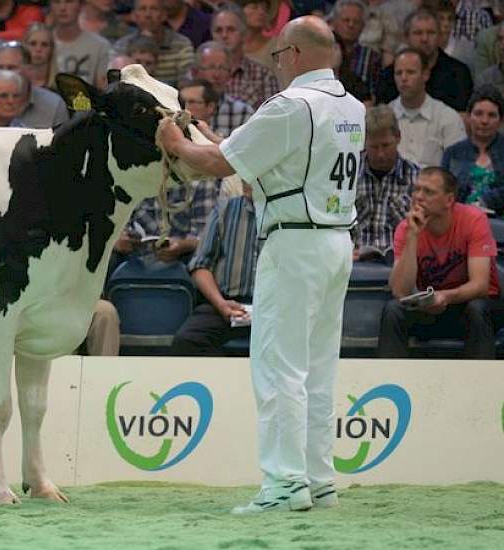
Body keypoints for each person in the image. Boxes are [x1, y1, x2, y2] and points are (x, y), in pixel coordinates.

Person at [156, 16, 364, 513]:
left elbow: (217, 166)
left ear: (293, 54)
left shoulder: (290, 106)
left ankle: (284, 486)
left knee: (278, 369)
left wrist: (175, 141)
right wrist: (214, 142)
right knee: (317, 371)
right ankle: (318, 481)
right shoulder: (351, 106)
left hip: (293, 245)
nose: (275, 66)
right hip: (335, 242)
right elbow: (255, 167)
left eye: (277, 56)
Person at [379, 167, 504, 358]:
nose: (418, 197)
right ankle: (389, 382)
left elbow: (480, 285)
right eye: (416, 190)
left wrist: (444, 296)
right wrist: (412, 237)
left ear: (449, 200)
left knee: (477, 308)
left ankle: (479, 383)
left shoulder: (473, 220)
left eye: (428, 192)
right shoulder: (406, 228)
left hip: (471, 308)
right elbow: (400, 291)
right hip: (430, 308)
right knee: (393, 310)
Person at [171, 182, 258, 356]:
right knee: (187, 340)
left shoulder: (292, 215)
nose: (247, 179)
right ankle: (221, 382)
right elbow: (200, 265)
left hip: (275, 309)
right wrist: (220, 303)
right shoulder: (224, 210)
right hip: (225, 302)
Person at [354, 104, 420, 262]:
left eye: (386, 145)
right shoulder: (349, 175)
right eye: (374, 147)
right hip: (354, 260)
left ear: (398, 137)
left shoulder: (417, 178)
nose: (381, 154)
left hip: (400, 262)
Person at [375, 9, 473, 112]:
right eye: (418, 33)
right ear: (406, 37)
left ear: (439, 36)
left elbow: (464, 116)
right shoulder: (389, 75)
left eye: (431, 33)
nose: (424, 39)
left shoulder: (459, 73)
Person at [388, 47, 466, 168]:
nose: (403, 78)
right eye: (398, 73)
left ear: (426, 74)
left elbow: (458, 167)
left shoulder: (448, 117)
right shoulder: (386, 116)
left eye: (410, 72)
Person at [0, 42, 70, 129]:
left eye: (11, 67)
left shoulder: (54, 106)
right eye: (0, 68)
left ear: (29, 70)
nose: (5, 73)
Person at [441, 86, 504, 211]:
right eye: (478, 114)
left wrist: (486, 200)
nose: (484, 121)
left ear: (501, 121)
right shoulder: (452, 153)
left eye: (492, 115)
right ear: (469, 117)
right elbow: (442, 190)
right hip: (458, 220)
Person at [210, 4, 279, 110]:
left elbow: (273, 117)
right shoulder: (199, 73)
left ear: (244, 34)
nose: (224, 35)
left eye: (231, 29)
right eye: (218, 30)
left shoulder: (264, 76)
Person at [113, 0, 194, 87]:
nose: (148, 15)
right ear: (134, 15)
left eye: (154, 9)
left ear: (164, 15)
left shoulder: (181, 44)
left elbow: (187, 80)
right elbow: (114, 81)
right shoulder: (122, 45)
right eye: (142, 9)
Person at [52, 0, 111, 89]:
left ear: (81, 5)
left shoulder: (100, 46)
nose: (62, 8)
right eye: (57, 2)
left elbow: (103, 89)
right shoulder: (41, 44)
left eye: (69, 2)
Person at [22, 23, 57, 89]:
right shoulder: (14, 83)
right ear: (24, 46)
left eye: (44, 45)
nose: (38, 49)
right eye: (33, 44)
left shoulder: (61, 84)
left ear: (51, 49)